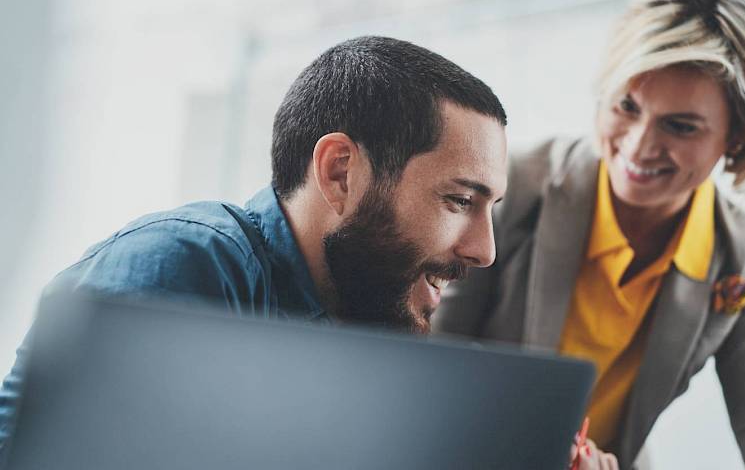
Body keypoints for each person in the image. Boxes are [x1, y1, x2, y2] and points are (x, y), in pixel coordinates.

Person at [0, 36, 513, 461]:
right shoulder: (188, 266)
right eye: (460, 199)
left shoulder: (352, 316)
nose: (484, 250)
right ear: (340, 172)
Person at [434, 0, 745, 470]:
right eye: (627, 107)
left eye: (680, 126)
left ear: (738, 138)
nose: (640, 146)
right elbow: (430, 367)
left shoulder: (737, 261)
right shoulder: (508, 192)